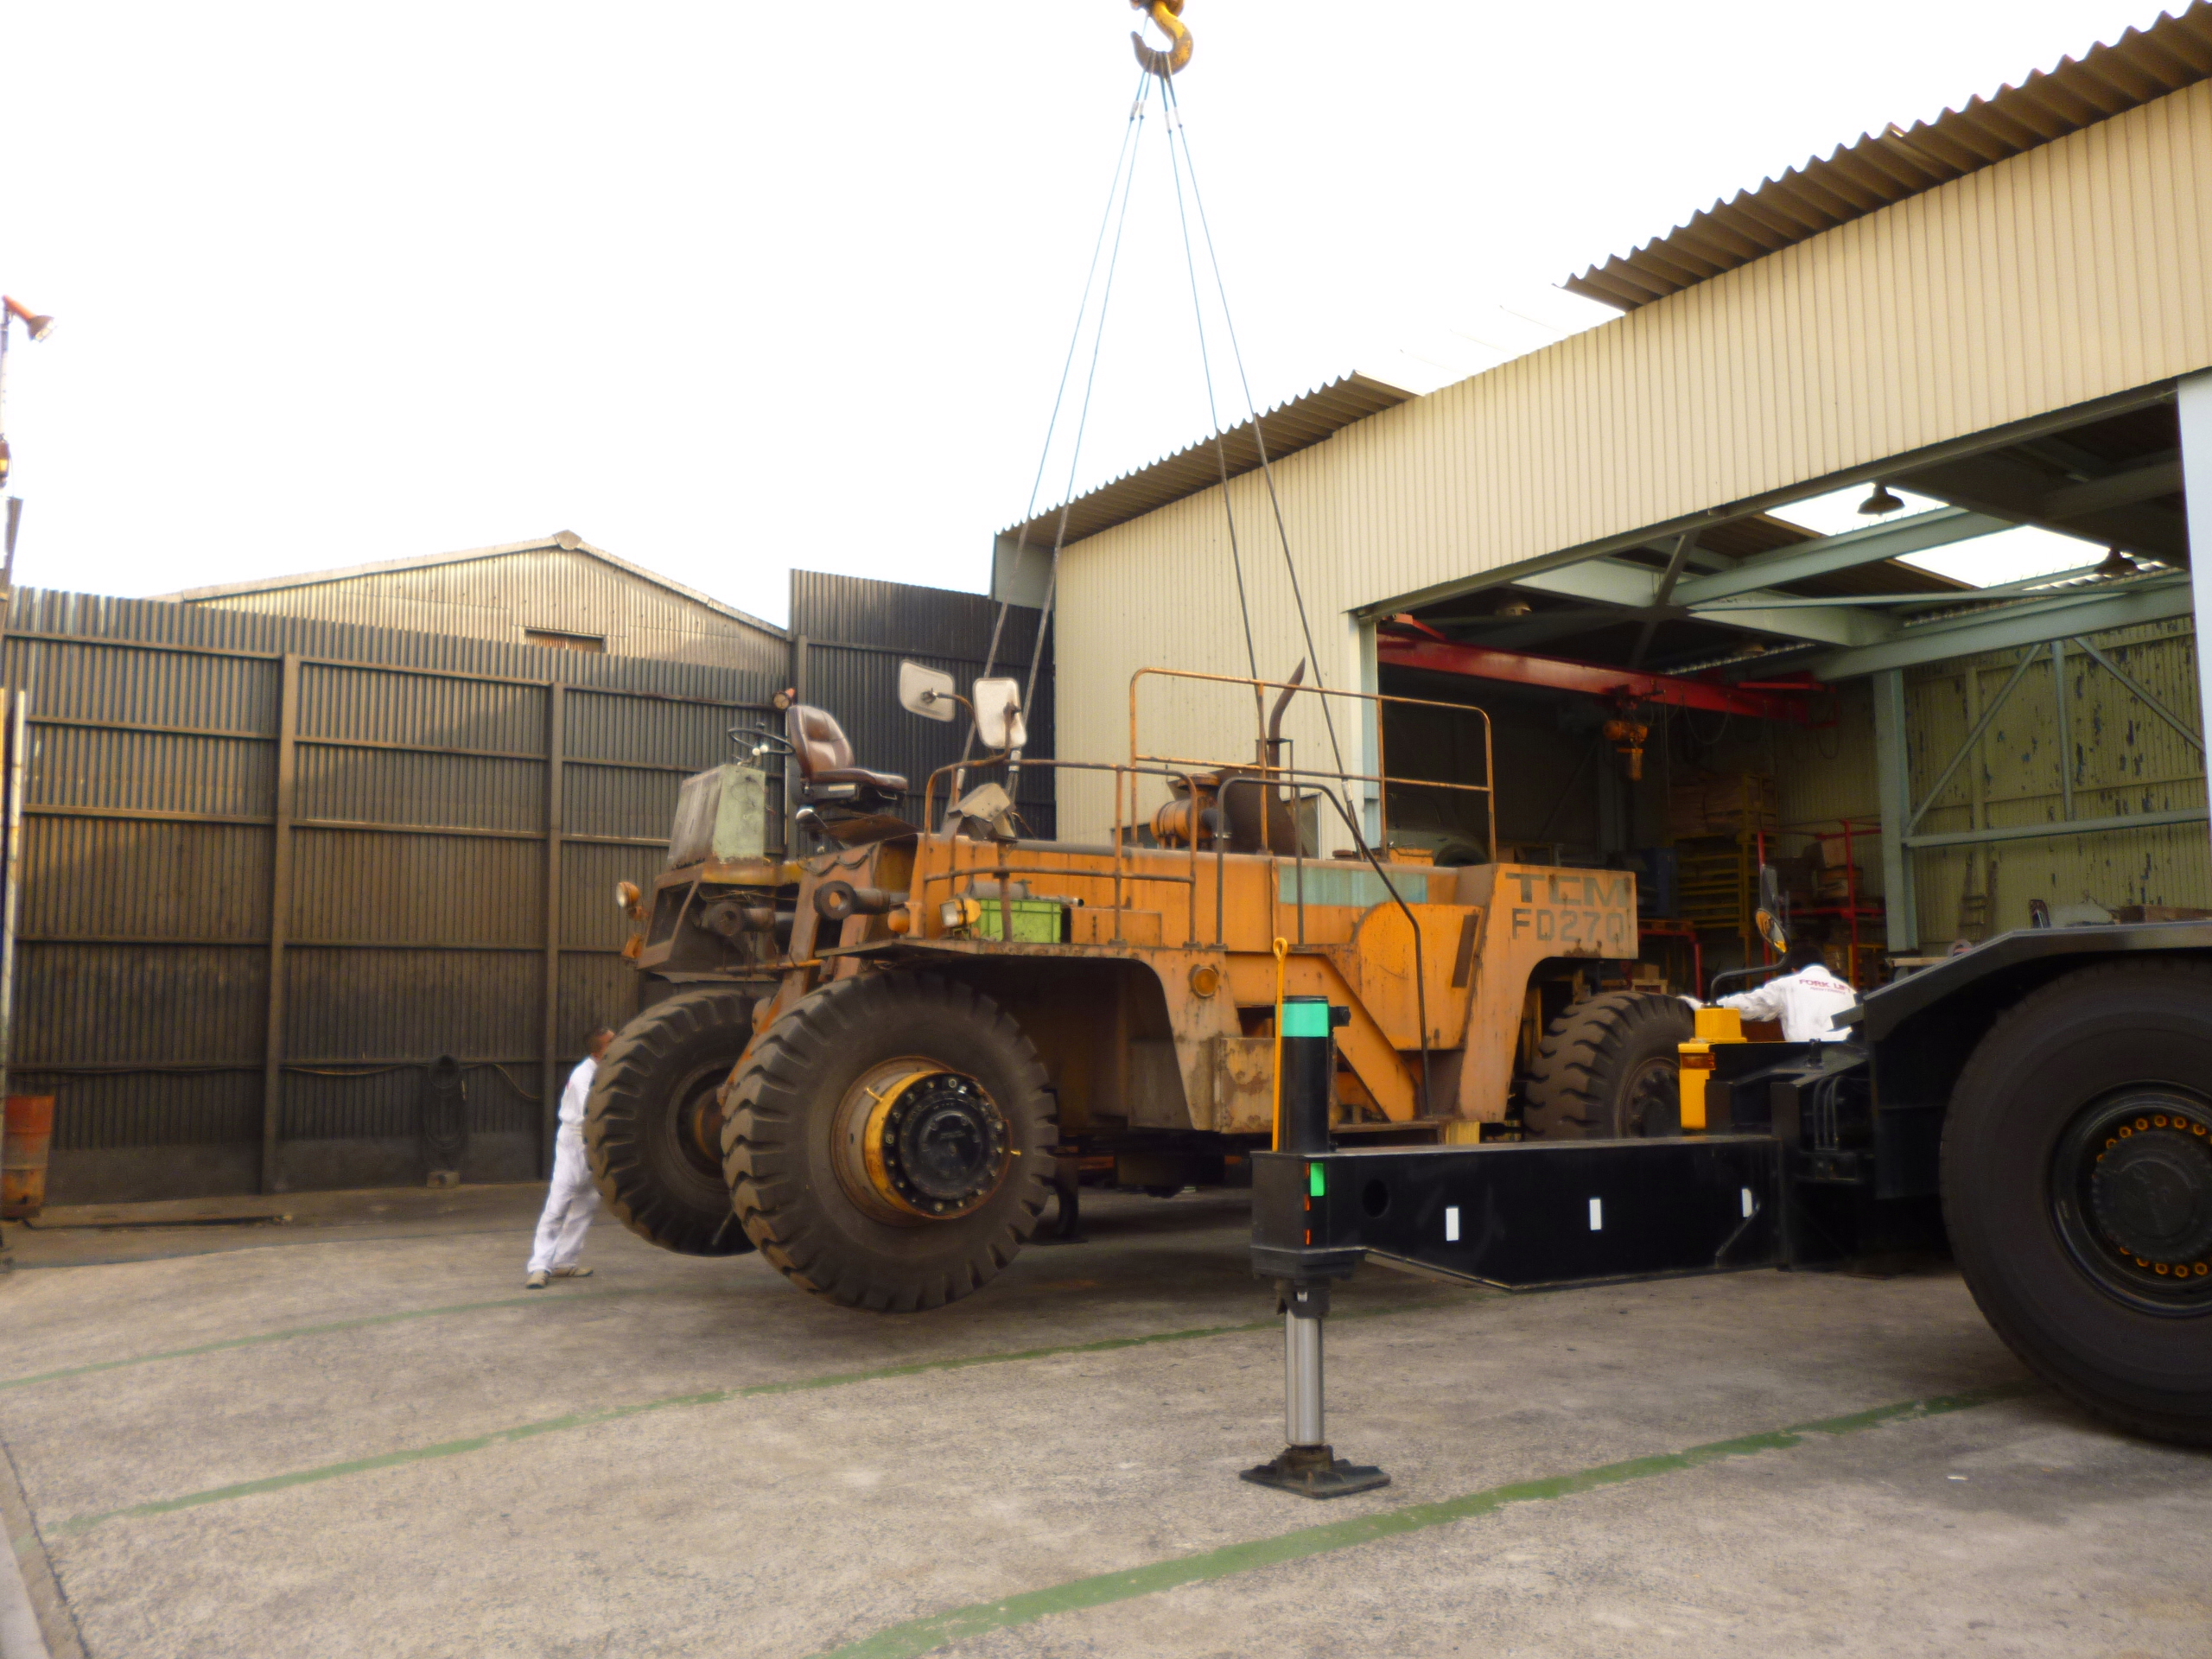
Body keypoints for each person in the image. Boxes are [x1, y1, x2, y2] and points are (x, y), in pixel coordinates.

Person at [526, 1025, 615, 1288]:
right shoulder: (582, 1076)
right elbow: (596, 1113)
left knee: (587, 1201)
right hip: (575, 1140)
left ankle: (565, 1261)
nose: (618, 1043)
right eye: (611, 1042)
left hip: (595, 1141)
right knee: (560, 1201)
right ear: (597, 1052)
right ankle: (540, 1266)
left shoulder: (608, 1070)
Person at [1700, 943, 1859, 1043]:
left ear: (1794, 969)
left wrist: (1711, 1006)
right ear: (1825, 966)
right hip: (1851, 1060)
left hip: (1811, 1062)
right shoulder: (1849, 990)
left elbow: (1750, 1005)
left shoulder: (1788, 985)